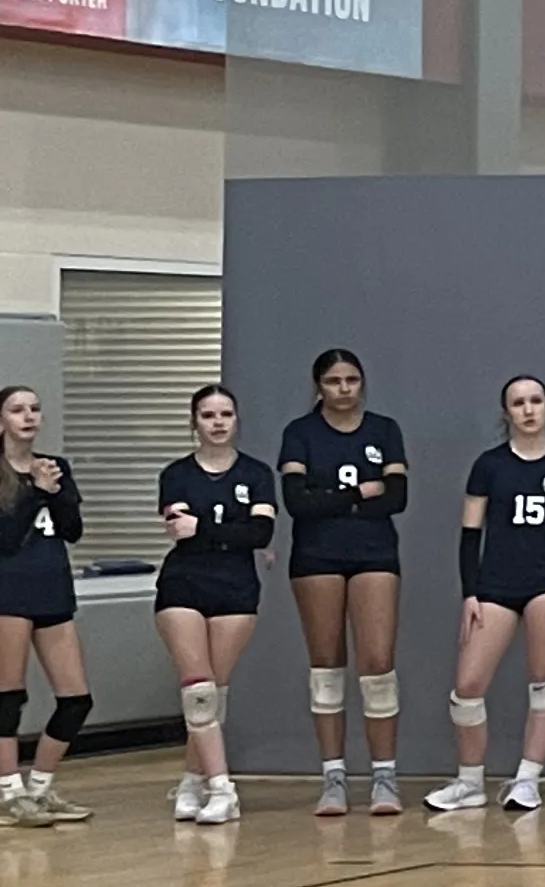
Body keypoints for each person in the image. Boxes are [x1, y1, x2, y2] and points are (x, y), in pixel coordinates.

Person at [431, 377, 545, 818]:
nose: (528, 410)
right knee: (468, 686)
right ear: (506, 413)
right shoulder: (488, 466)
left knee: (544, 678)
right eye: (518, 403)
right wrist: (470, 593)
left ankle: (527, 778)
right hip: (495, 584)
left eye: (536, 400)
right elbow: (469, 535)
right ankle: (469, 781)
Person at [280, 347, 410, 813]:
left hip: (375, 553)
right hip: (316, 556)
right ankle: (333, 775)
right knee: (327, 665)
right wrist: (356, 494)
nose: (344, 389)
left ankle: (384, 776)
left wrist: (330, 498)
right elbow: (298, 503)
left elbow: (396, 498)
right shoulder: (300, 434)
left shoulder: (384, 430)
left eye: (352, 380)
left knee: (377, 663)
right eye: (334, 381)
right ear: (319, 386)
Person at [153, 385, 280, 827]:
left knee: (213, 695)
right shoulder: (176, 475)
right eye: (208, 415)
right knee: (199, 690)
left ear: (237, 419)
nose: (218, 422)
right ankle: (223, 789)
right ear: (194, 422)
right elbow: (181, 531)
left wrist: (207, 526)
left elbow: (260, 534)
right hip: (183, 585)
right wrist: (229, 530)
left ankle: (192, 779)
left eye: (226, 413)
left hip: (236, 589)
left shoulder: (258, 474)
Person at [0, 383, 93, 823]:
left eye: (35, 408)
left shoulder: (56, 467)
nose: (28, 416)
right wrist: (34, 490)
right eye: (17, 409)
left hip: (52, 587)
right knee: (8, 696)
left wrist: (55, 491)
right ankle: (7, 791)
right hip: (9, 591)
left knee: (76, 698)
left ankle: (40, 786)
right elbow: (5, 536)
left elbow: (72, 529)